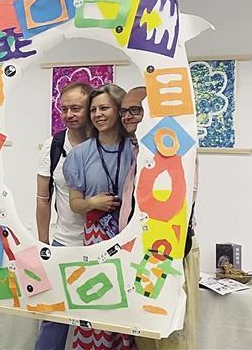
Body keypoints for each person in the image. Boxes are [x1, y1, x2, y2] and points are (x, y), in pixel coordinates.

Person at [118, 87, 200, 350]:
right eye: (124, 111)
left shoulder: (173, 149)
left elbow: (177, 203)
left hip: (167, 249)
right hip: (141, 251)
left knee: (170, 331)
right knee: (145, 327)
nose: (127, 117)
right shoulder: (136, 149)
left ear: (152, 113)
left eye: (135, 110)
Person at [64, 84, 135, 350]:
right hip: (96, 237)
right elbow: (75, 204)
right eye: (93, 110)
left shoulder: (136, 149)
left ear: (119, 110)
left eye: (104, 108)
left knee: (127, 306)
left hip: (131, 237)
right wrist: (93, 202)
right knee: (97, 302)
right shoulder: (80, 154)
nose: (97, 115)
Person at [34, 82, 92, 350]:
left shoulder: (107, 143)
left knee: (99, 318)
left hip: (102, 243)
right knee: (53, 315)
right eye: (64, 108)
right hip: (64, 242)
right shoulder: (53, 146)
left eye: (76, 108)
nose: (69, 114)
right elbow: (42, 199)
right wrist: (43, 244)